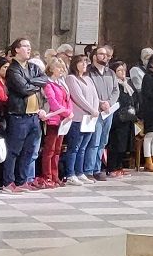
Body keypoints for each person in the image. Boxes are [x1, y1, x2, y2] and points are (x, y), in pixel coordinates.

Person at [4, 37, 47, 191]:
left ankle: (22, 181)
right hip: (19, 115)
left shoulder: (33, 67)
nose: (29, 49)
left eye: (29, 46)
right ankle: (8, 182)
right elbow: (23, 89)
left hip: (34, 116)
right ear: (16, 49)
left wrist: (29, 81)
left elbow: (45, 79)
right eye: (25, 46)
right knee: (14, 150)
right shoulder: (13, 69)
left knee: (29, 150)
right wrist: (33, 84)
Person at [64, 54, 100, 185]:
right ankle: (70, 174)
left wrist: (95, 110)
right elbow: (78, 97)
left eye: (86, 62)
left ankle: (80, 172)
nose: (84, 64)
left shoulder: (88, 79)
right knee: (74, 147)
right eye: (81, 62)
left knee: (83, 147)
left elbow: (95, 96)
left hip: (90, 118)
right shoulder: (71, 78)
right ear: (75, 64)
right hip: (79, 118)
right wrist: (91, 110)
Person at [85, 45, 119, 181]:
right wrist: (100, 103)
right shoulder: (88, 71)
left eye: (106, 54)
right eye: (101, 54)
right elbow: (88, 90)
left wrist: (109, 102)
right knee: (94, 140)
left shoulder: (110, 72)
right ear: (94, 56)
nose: (105, 56)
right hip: (94, 111)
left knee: (103, 141)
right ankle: (89, 169)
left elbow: (116, 90)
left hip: (108, 112)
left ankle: (97, 169)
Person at [40, 58, 72, 187]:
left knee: (58, 149)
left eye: (63, 67)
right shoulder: (48, 83)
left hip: (63, 120)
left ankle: (55, 175)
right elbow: (53, 102)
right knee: (50, 150)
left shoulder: (62, 83)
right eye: (59, 67)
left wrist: (70, 112)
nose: (62, 70)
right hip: (53, 119)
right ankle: (47, 176)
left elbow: (68, 99)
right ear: (52, 68)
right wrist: (65, 112)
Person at [107, 60, 138, 175]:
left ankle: (120, 166)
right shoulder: (114, 85)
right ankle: (112, 168)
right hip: (118, 118)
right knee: (116, 144)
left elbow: (134, 98)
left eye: (124, 70)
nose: (122, 73)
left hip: (128, 118)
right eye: (119, 70)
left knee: (124, 145)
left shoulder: (127, 84)